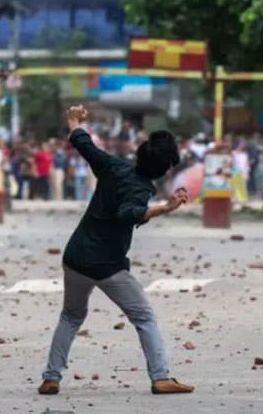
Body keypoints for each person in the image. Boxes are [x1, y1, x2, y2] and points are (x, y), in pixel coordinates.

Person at [39, 105, 194, 396]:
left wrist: (74, 121)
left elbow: (85, 145)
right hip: (107, 265)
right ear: (164, 170)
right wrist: (165, 207)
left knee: (71, 316)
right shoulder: (142, 189)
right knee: (145, 317)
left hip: (75, 257)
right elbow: (129, 213)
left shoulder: (113, 165)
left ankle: (51, 377)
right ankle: (160, 377)